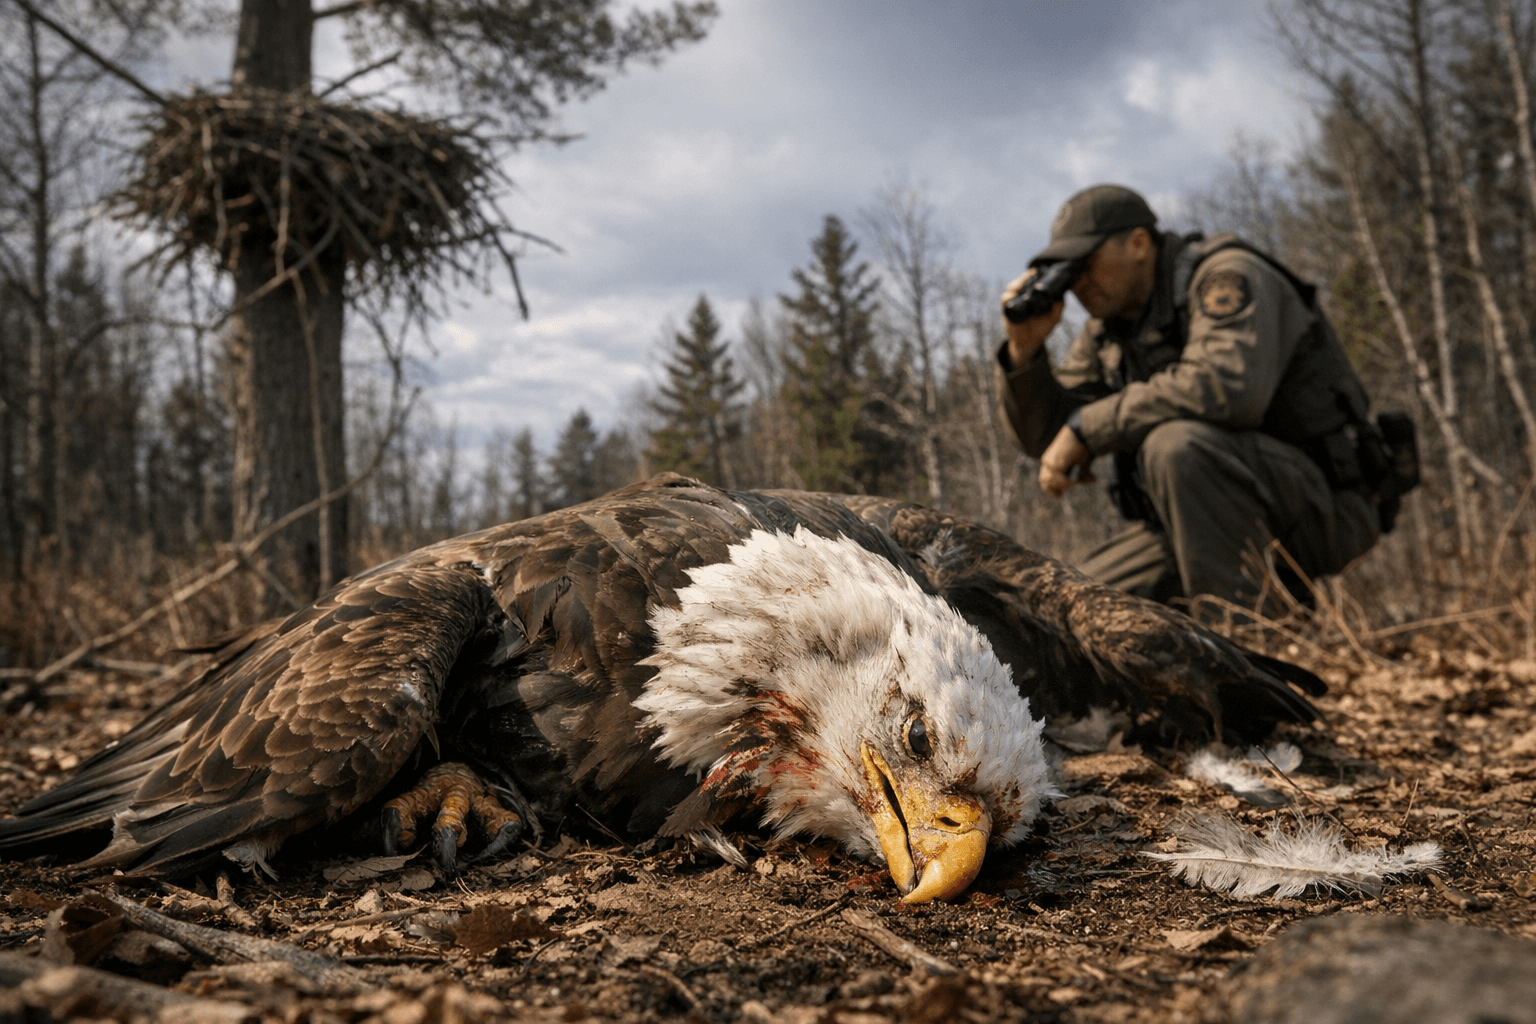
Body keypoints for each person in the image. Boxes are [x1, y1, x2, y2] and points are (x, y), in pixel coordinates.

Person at [995, 184, 1383, 613]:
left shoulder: (1225, 275)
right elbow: (1044, 439)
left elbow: (1228, 387)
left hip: (1321, 506)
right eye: (1068, 273)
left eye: (1085, 264)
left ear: (1139, 243)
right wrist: (1024, 352)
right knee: (1064, 609)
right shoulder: (1107, 332)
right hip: (1196, 526)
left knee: (1176, 446)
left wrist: (1090, 427)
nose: (1078, 286)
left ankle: (1254, 643)